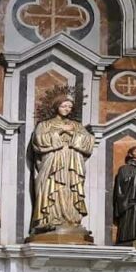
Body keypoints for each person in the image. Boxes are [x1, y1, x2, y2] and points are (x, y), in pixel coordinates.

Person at [29, 92, 94, 235]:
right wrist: (60, 131)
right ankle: (48, 220)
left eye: (69, 107)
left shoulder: (76, 125)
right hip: (53, 161)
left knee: (70, 189)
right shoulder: (45, 124)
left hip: (72, 161)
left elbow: (88, 142)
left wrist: (72, 134)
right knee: (51, 187)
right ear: (56, 107)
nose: (66, 109)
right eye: (64, 106)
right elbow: (39, 141)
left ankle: (71, 219)